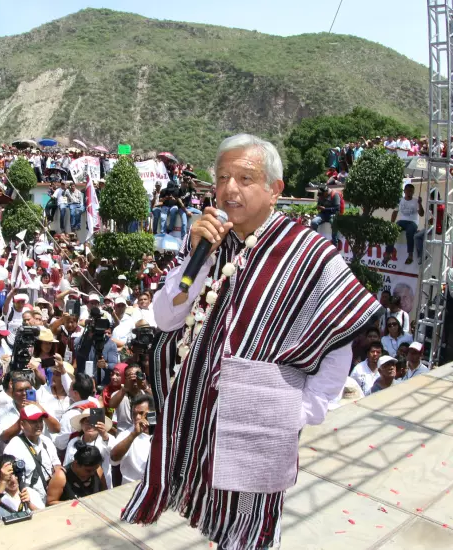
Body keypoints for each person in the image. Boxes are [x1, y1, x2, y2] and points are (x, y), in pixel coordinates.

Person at [121, 135, 381, 550]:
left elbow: (338, 340)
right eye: (222, 177)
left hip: (262, 419)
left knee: (252, 531)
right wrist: (199, 256)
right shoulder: (210, 242)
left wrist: (302, 411)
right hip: (199, 418)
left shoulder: (309, 254)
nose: (229, 189)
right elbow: (167, 316)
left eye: (245, 177)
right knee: (216, 521)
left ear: (275, 189)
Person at [2, 404, 62, 504]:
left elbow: (57, 465)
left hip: (51, 498)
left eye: (40, 421)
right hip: (29, 502)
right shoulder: (13, 447)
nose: (38, 425)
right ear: (22, 425)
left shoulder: (46, 441)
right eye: (33, 422)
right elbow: (9, 479)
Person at [0, 454, 45, 522]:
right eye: (8, 476)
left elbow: (43, 516)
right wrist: (4, 481)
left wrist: (29, 504)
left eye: (15, 474)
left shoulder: (30, 492)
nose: (13, 479)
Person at [110, 394, 153, 485]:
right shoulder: (125, 435)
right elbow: (114, 458)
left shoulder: (163, 432)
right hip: (131, 487)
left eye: (141, 413)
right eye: (134, 414)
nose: (137, 417)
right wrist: (134, 434)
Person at [384, 182, 423, 264]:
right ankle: (388, 253)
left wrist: (420, 204)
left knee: (409, 232)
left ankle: (410, 255)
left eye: (412, 191)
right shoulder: (400, 200)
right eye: (408, 191)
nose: (410, 193)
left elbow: (421, 214)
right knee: (393, 231)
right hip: (402, 221)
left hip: (413, 222)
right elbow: (395, 212)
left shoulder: (416, 201)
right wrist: (392, 223)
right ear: (404, 191)